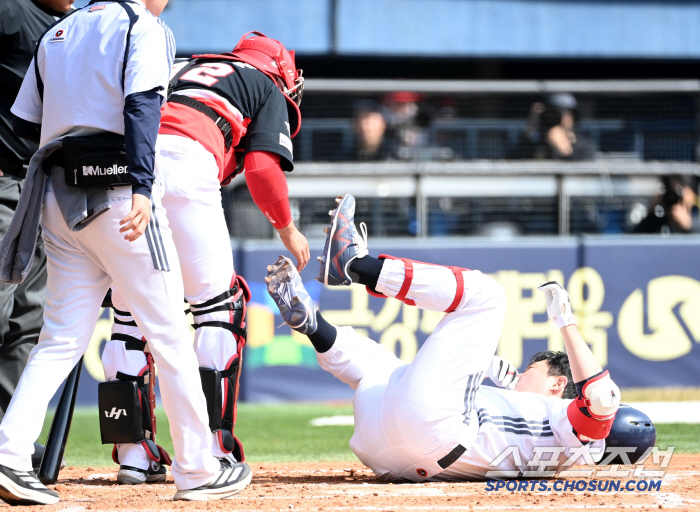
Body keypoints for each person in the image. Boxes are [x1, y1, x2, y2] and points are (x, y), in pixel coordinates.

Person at [0, 0, 250, 505]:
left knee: (59, 340)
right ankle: (199, 470)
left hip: (57, 195)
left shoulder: (60, 28)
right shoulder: (143, 24)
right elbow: (142, 103)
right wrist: (141, 184)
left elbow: (23, 125)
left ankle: (7, 454)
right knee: (170, 335)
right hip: (120, 195)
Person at [265, 194, 643, 482]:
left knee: (489, 296)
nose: (521, 371)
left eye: (533, 368)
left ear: (558, 384)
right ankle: (313, 324)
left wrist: (566, 322)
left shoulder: (573, 429)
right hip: (387, 454)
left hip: (434, 429)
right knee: (382, 366)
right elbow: (502, 375)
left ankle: (355, 264)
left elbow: (601, 400)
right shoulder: (536, 421)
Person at [100, 32, 309, 485]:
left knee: (131, 313)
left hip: (126, 168)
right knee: (218, 308)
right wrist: (287, 228)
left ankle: (134, 453)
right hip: (188, 162)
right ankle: (212, 448)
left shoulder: (181, 63)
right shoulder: (263, 81)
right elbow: (260, 167)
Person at [0, 0, 74, 472]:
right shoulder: (10, 9)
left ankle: (9, 441)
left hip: (42, 189)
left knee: (27, 322)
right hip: (5, 183)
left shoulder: (70, 26)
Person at [508, 93, 596, 161]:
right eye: (552, 112)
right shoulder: (539, 142)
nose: (557, 117)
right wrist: (532, 125)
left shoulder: (583, 143)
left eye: (563, 112)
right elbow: (514, 158)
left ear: (572, 116)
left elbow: (587, 162)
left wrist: (566, 149)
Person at [634, 175, 699, 234]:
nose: (673, 198)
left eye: (679, 192)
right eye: (670, 192)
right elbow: (635, 239)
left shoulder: (696, 219)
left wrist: (688, 226)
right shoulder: (657, 222)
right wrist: (651, 213)